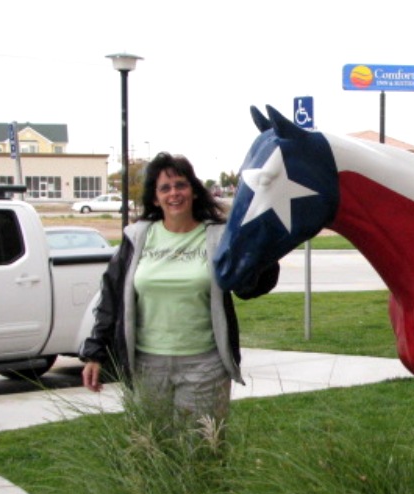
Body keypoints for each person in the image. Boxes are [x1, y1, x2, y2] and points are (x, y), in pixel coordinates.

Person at [79, 152, 279, 423]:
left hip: (205, 365)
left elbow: (249, 287)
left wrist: (264, 252)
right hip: (146, 366)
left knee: (202, 452)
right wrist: (95, 353)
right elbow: (112, 296)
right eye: (165, 188)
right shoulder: (136, 237)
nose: (174, 193)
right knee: (152, 452)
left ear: (194, 191)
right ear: (154, 198)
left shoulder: (218, 237)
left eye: (181, 185)